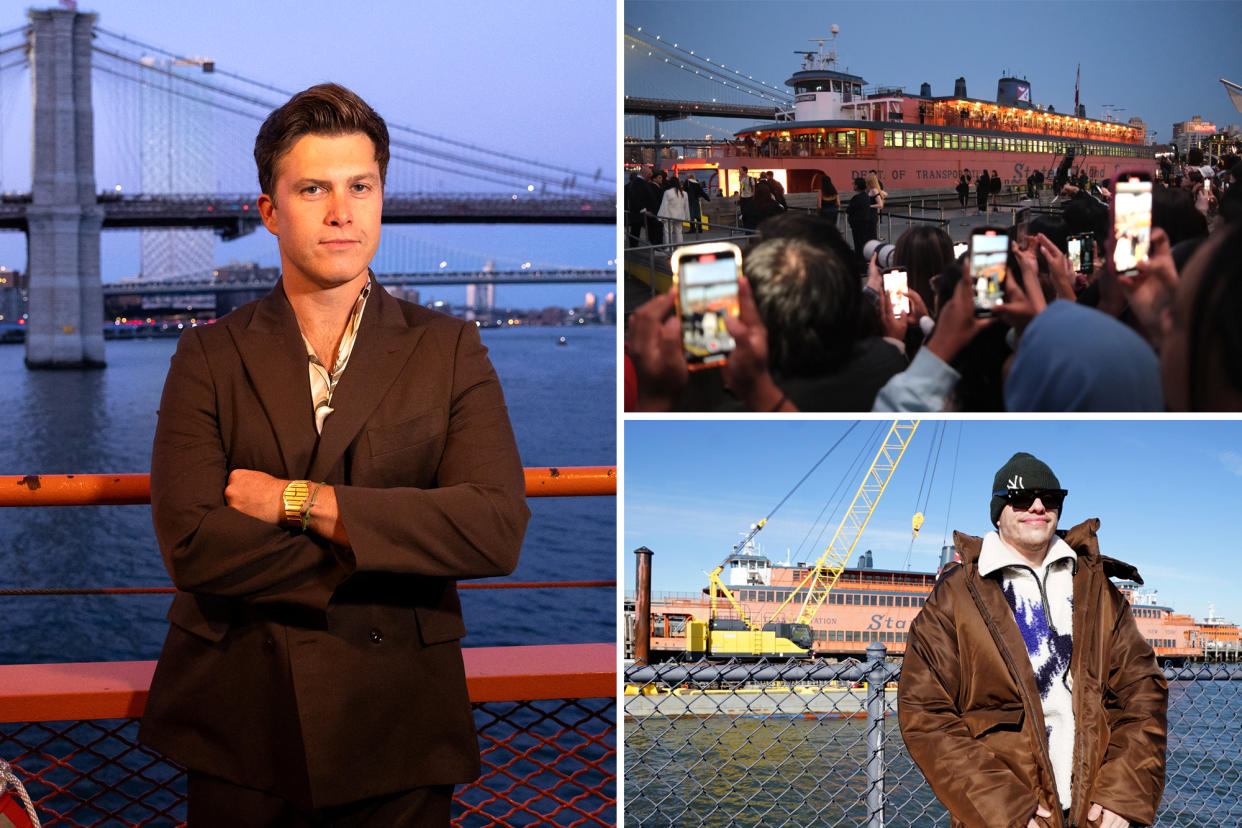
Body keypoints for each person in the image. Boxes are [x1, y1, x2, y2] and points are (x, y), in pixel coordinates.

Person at [138, 83, 530, 826]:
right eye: (313, 188)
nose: (342, 211)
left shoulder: (450, 349)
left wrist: (301, 502)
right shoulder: (207, 355)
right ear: (269, 211)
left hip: (398, 725)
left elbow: (495, 528)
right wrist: (394, 542)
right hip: (242, 723)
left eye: (361, 186)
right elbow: (192, 547)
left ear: (382, 197)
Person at [898, 453, 1168, 828]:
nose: (1038, 507)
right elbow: (925, 713)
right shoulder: (955, 596)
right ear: (998, 511)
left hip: (1096, 810)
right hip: (1012, 815)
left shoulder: (1097, 587)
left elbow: (1142, 691)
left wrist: (1123, 795)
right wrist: (1004, 810)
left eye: (1050, 498)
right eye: (1021, 499)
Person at [658, 175, 691, 246]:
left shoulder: (667, 192)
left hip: (669, 216)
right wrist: (687, 217)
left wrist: (660, 217)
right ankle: (680, 247)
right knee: (679, 232)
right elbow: (686, 206)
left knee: (668, 232)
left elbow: (664, 205)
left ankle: (669, 248)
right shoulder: (684, 193)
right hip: (680, 216)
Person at [846, 177, 874, 254]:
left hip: (857, 223)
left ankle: (860, 259)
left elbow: (849, 210)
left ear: (857, 186)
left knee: (858, 243)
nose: (853, 185)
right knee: (863, 242)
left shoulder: (856, 198)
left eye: (854, 184)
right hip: (865, 222)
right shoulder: (866, 196)